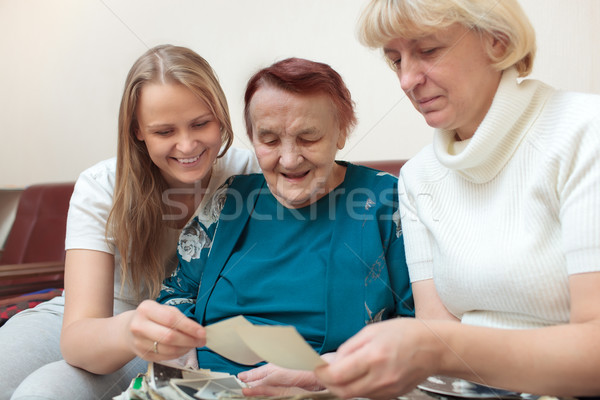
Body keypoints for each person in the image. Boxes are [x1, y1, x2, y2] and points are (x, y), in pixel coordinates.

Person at [313, 1, 600, 399]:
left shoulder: (586, 134)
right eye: (395, 60)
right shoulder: (418, 176)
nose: (407, 79)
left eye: (428, 50)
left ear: (498, 43)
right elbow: (439, 336)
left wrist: (430, 348)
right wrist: (324, 375)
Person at [1, 44, 261, 400]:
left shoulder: (250, 173)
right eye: (164, 132)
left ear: (220, 116)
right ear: (137, 130)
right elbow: (79, 336)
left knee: (42, 392)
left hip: (182, 332)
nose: (187, 145)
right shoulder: (100, 186)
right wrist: (129, 330)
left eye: (201, 123)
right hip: (104, 321)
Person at [152, 57, 413, 387]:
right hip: (208, 385)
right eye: (270, 140)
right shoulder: (230, 198)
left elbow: (422, 326)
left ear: (342, 131)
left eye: (308, 138)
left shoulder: (387, 202)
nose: (289, 159)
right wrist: (180, 344)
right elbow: (176, 294)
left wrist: (330, 369)